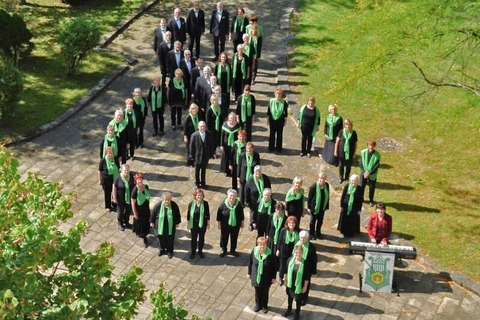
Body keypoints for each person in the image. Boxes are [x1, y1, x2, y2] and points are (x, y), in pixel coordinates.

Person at [247, 236, 277, 314]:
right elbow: (250, 263)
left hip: (266, 277)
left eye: (263, 244)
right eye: (260, 244)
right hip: (256, 275)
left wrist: (274, 277)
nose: (262, 246)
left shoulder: (270, 254)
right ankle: (257, 305)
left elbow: (274, 267)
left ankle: (264, 305)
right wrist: (249, 273)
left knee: (265, 292)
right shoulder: (254, 251)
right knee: (257, 291)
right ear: (257, 244)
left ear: (266, 245)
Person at [283, 244, 311, 320]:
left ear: (302, 253)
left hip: (299, 285)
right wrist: (285, 280)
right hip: (290, 283)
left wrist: (305, 286)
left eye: (299, 253)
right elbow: (285, 271)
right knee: (290, 297)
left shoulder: (305, 263)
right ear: (294, 253)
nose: (298, 254)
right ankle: (289, 309)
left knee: (298, 300)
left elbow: (307, 277)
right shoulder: (289, 260)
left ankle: (297, 312)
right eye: (296, 252)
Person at [150, 192, 181, 258]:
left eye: (168, 199)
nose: (166, 201)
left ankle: (170, 251)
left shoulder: (174, 205)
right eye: (165, 199)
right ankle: (162, 250)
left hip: (170, 226)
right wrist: (152, 222)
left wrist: (177, 223)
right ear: (162, 199)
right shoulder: (158, 206)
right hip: (160, 226)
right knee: (160, 239)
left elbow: (177, 214)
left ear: (171, 200)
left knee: (170, 239)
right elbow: (153, 214)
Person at [216, 189, 244, 257]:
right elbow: (219, 215)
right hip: (225, 225)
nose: (232, 197)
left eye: (234, 196)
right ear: (227, 196)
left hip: (235, 225)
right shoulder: (222, 204)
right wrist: (219, 224)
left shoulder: (239, 204)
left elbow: (241, 214)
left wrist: (242, 223)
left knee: (234, 237)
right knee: (224, 237)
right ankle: (223, 249)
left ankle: (233, 250)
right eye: (230, 196)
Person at [244, 165, 271, 232]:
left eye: (259, 172)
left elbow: (268, 188)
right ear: (254, 172)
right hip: (253, 200)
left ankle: (259, 223)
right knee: (253, 212)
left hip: (263, 199)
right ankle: (251, 223)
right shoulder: (250, 180)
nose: (257, 173)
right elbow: (246, 190)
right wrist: (246, 201)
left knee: (261, 212)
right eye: (256, 172)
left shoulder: (265, 178)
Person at [189, 121, 215, 189]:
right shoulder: (194, 135)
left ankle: (203, 184)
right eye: (201, 126)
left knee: (203, 171)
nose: (202, 128)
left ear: (205, 127)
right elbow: (191, 147)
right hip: (197, 157)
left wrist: (211, 154)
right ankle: (197, 184)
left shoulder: (209, 134)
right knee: (197, 171)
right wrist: (192, 156)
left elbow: (211, 144)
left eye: (203, 126)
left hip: (205, 156)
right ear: (198, 127)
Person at [186, 188, 210, 259]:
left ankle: (200, 251)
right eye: (198, 195)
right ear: (195, 196)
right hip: (194, 225)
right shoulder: (191, 203)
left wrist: (208, 224)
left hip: (202, 224)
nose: (199, 197)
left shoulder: (205, 204)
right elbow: (188, 215)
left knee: (201, 238)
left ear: (203, 196)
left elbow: (207, 214)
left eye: (201, 195)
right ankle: (193, 252)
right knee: (193, 239)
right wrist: (188, 224)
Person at [337, 174, 363, 238]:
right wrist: (341, 206)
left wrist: (359, 210)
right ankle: (344, 231)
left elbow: (360, 200)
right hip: (346, 207)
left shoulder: (359, 189)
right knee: (345, 219)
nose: (352, 182)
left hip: (354, 208)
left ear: (357, 181)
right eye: (351, 180)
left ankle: (350, 232)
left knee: (352, 221)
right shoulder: (347, 186)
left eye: (354, 181)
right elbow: (343, 196)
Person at [276, 216, 300, 285]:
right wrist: (278, 250)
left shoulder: (297, 231)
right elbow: (279, 240)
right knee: (282, 265)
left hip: (292, 252)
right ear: (287, 224)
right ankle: (281, 278)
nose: (291, 225)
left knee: (290, 265)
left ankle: (289, 278)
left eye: (293, 224)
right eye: (290, 224)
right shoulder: (283, 230)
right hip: (283, 251)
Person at [307, 171, 330, 240]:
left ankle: (318, 232)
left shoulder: (327, 185)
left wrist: (326, 206)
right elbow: (310, 197)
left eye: (323, 178)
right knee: (312, 221)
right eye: (320, 178)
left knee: (320, 221)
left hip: (322, 207)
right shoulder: (314, 186)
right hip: (314, 207)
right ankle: (311, 233)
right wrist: (309, 207)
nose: (321, 180)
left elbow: (327, 196)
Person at [334, 119, 358, 183]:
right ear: (345, 125)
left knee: (348, 166)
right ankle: (341, 177)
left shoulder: (354, 133)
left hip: (350, 152)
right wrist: (335, 150)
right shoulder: (341, 131)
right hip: (341, 151)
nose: (348, 126)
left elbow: (355, 144)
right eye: (346, 125)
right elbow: (337, 142)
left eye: (349, 125)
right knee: (341, 165)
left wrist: (354, 153)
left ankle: (347, 177)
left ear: (351, 125)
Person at [297, 230, 317, 305]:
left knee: (306, 283)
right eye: (301, 238)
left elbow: (314, 260)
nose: (302, 239)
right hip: (298, 266)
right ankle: (298, 295)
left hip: (307, 269)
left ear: (307, 238)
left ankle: (304, 298)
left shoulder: (311, 248)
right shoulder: (297, 245)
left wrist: (314, 272)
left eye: (304, 238)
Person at [112, 164, 135, 231]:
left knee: (128, 211)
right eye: (125, 170)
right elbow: (114, 187)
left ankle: (126, 222)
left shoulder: (131, 177)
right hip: (120, 199)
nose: (126, 172)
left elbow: (134, 187)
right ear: (121, 171)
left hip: (129, 199)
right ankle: (120, 223)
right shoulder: (118, 178)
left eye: (128, 170)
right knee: (120, 212)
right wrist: (114, 198)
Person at [131, 173, 151, 248]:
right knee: (141, 224)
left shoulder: (146, 187)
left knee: (146, 221)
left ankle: (144, 229)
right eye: (138, 180)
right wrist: (135, 213)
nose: (140, 181)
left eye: (141, 179)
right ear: (136, 181)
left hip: (146, 208)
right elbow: (133, 203)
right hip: (139, 210)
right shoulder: (135, 190)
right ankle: (144, 237)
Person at [360, 139, 381, 207]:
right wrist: (364, 172)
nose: (371, 147)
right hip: (364, 173)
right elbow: (361, 163)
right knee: (362, 187)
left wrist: (369, 173)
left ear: (374, 146)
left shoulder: (377, 155)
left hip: (372, 174)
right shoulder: (363, 152)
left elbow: (376, 166)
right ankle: (361, 198)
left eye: (372, 145)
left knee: (372, 188)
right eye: (369, 145)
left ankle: (371, 200)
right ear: (367, 145)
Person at [98, 146, 119, 212]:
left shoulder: (115, 159)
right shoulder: (103, 161)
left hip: (115, 179)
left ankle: (114, 204)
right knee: (107, 194)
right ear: (106, 153)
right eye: (108, 153)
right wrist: (100, 179)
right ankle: (108, 206)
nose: (110, 155)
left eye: (111, 153)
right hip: (106, 181)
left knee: (115, 193)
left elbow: (118, 167)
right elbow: (99, 170)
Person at [267, 88, 288, 152]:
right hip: (272, 120)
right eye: (277, 93)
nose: (278, 95)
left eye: (280, 94)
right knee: (272, 134)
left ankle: (279, 148)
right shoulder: (271, 101)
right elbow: (269, 111)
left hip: (280, 120)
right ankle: (271, 148)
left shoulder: (284, 102)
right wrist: (267, 120)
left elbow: (285, 112)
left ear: (281, 95)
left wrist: (286, 120)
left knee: (279, 134)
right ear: (275, 94)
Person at [219, 112, 240, 176]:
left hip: (234, 145)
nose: (231, 120)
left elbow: (239, 136)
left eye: (233, 119)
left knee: (233, 157)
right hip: (226, 145)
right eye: (230, 119)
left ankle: (232, 171)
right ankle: (226, 171)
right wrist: (221, 145)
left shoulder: (238, 126)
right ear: (228, 118)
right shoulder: (225, 125)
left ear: (235, 119)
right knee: (226, 157)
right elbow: (222, 136)